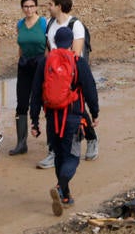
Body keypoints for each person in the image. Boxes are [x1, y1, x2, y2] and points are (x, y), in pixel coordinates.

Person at [41, 27, 100, 216]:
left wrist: (34, 119)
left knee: (59, 156)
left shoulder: (46, 62)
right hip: (73, 117)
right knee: (73, 157)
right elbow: (90, 89)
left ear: (55, 41)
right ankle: (60, 187)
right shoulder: (78, 62)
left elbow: (36, 90)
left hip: (52, 119)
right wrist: (95, 112)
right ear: (71, 41)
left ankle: (65, 196)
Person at [43, 0, 98, 162]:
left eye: (51, 4)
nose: (48, 7)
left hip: (72, 75)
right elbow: (48, 49)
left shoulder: (75, 25)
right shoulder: (50, 23)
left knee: (79, 110)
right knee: (51, 110)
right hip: (54, 74)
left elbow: (77, 51)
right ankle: (53, 149)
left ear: (59, 6)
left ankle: (91, 138)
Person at [10, 0, 49, 155]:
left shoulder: (43, 23)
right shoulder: (20, 24)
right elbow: (20, 45)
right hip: (25, 64)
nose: (29, 9)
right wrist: (20, 60)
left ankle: (52, 142)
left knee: (45, 102)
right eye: (26, 6)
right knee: (21, 104)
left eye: (32, 6)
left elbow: (49, 46)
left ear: (36, 7)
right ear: (22, 7)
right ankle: (21, 143)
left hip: (41, 63)